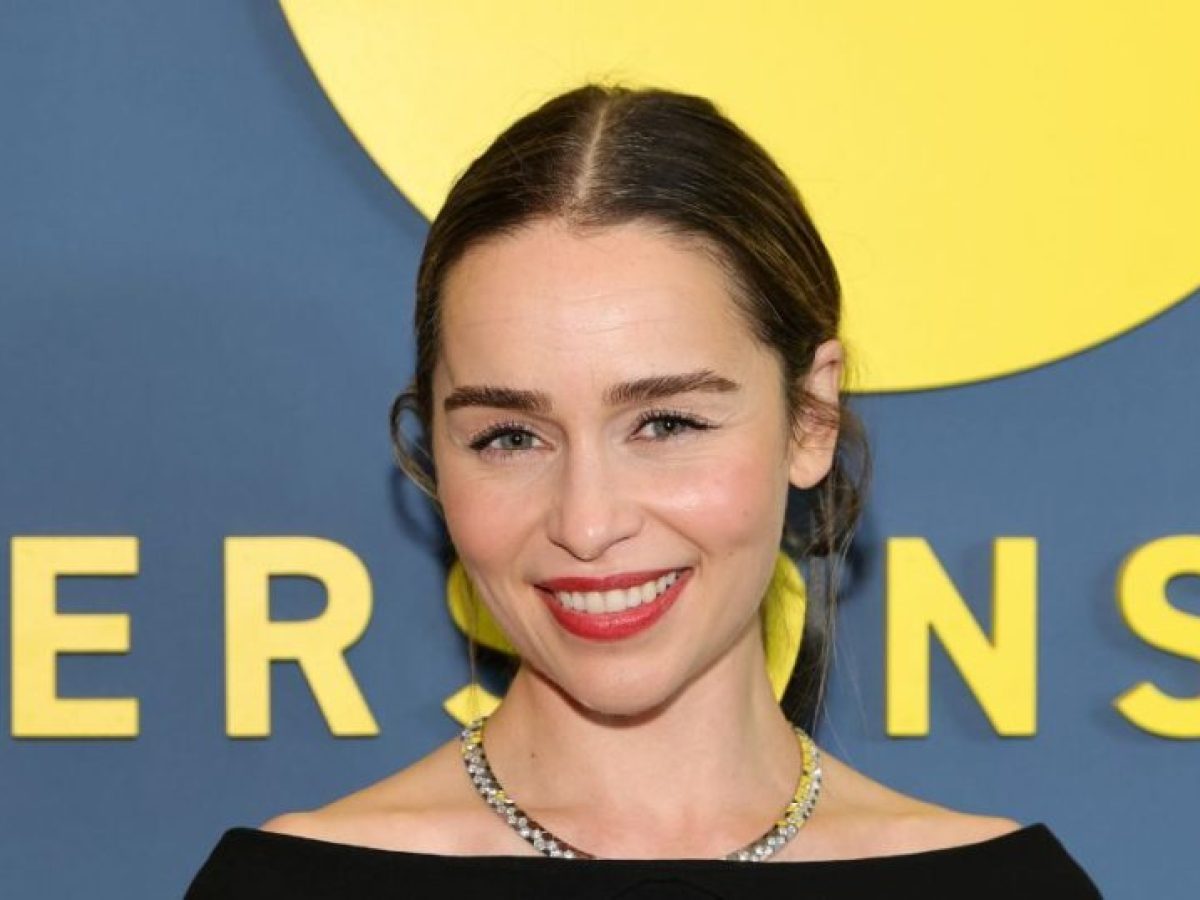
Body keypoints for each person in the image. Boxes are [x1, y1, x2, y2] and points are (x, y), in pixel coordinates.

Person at [186, 83, 1099, 898]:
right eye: (510, 437)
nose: (587, 523)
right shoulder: (287, 885)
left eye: (665, 424)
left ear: (811, 418)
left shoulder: (1005, 886)